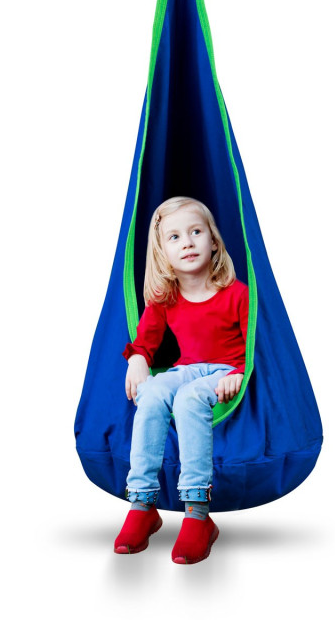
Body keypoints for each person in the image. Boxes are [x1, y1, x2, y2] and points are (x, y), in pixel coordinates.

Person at [113, 196, 248, 564]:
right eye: (174, 237)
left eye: (195, 232)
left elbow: (255, 347)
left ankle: (197, 513)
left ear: (214, 241)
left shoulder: (237, 294)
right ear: (163, 254)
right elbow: (145, 341)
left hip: (223, 370)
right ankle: (141, 504)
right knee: (152, 391)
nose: (187, 242)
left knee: (189, 398)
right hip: (186, 369)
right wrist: (138, 359)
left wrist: (238, 374)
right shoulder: (165, 297)